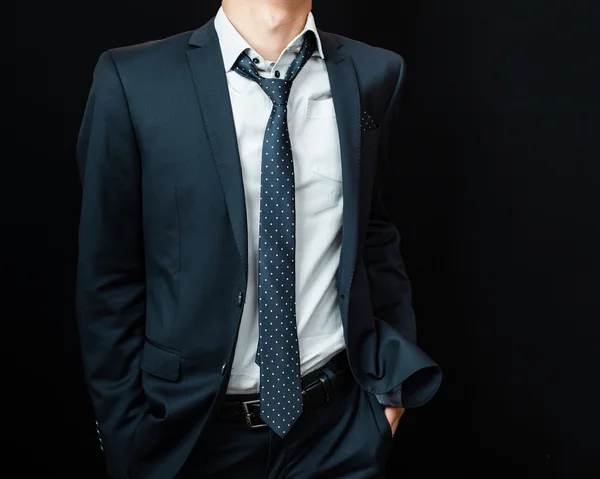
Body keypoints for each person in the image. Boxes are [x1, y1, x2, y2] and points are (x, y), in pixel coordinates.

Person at [76, 0, 442, 477]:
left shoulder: (374, 74)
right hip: (187, 437)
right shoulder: (132, 80)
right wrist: (127, 433)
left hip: (337, 432)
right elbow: (108, 275)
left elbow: (373, 230)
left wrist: (388, 393)